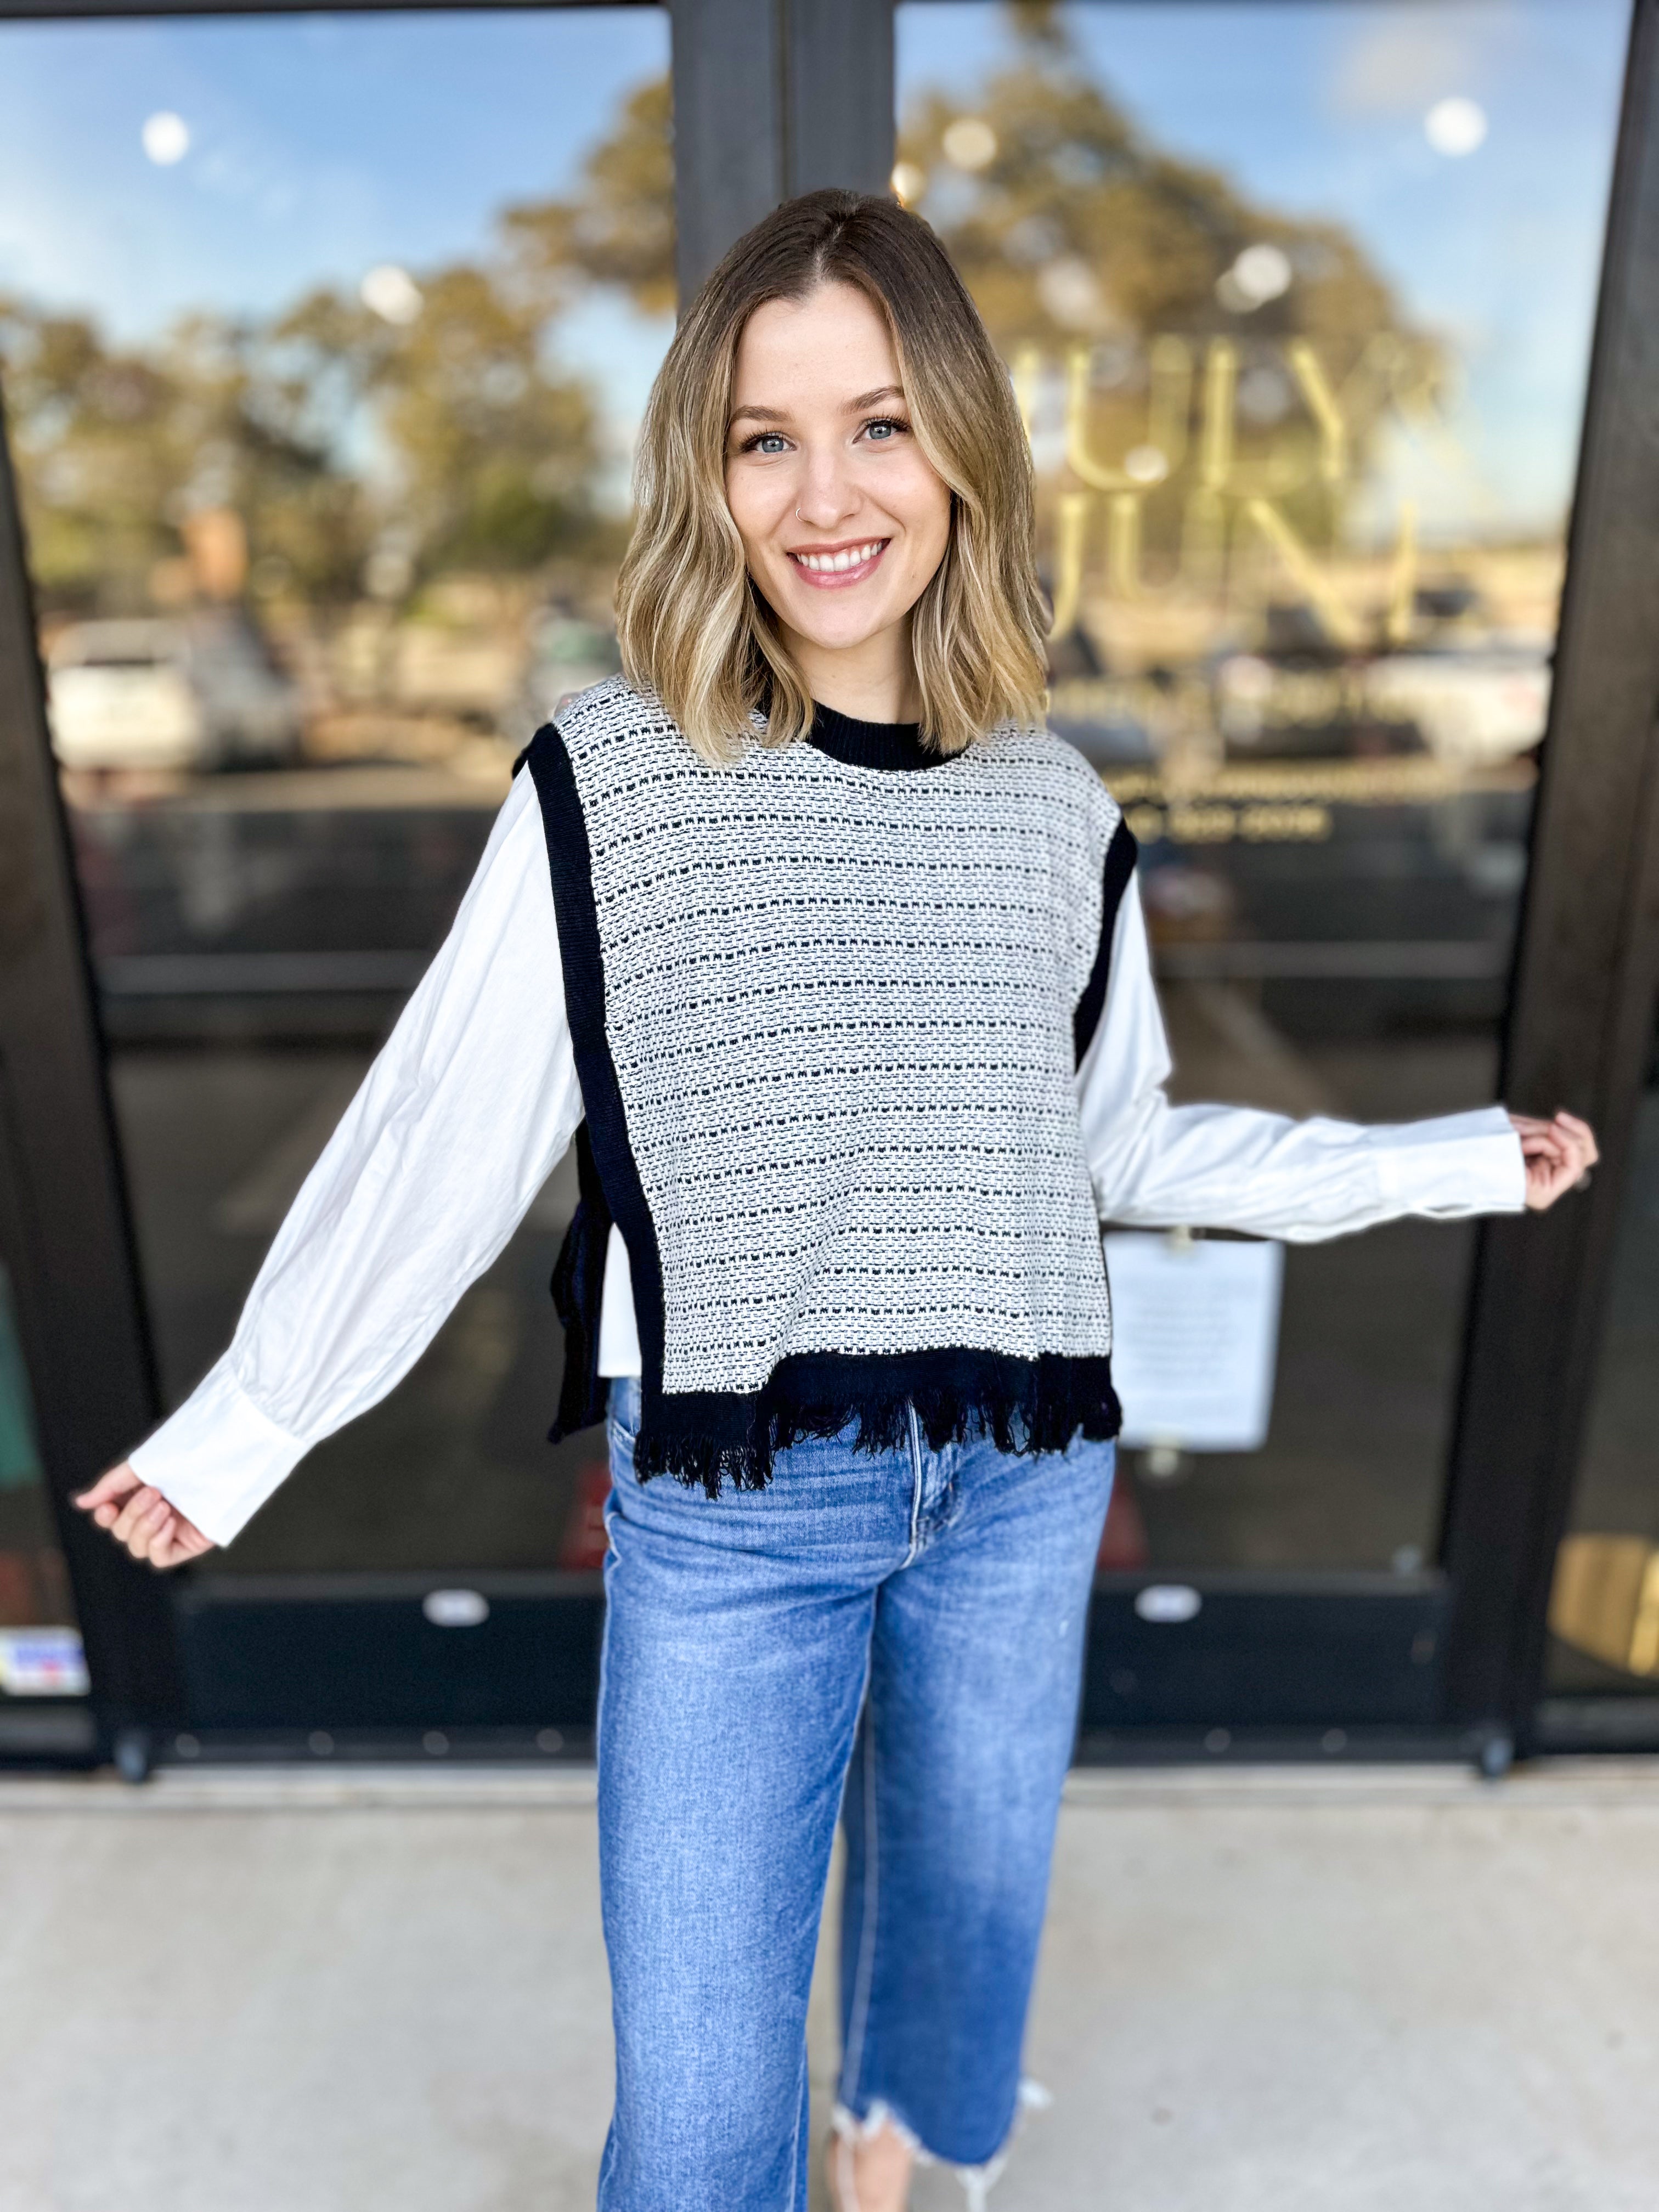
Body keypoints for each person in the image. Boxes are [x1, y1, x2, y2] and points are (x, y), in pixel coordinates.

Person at [76, 190, 1597, 2212]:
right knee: (705, 2111)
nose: (825, 493)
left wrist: (1442, 1161)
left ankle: (897, 2158)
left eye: (879, 422)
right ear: (705, 474)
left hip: (1021, 1469)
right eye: (762, 435)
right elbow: (440, 1139)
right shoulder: (614, 782)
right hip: (732, 1505)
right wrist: (259, 1417)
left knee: (965, 1925)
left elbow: (1123, 1147)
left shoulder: (1059, 808)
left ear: (963, 448)